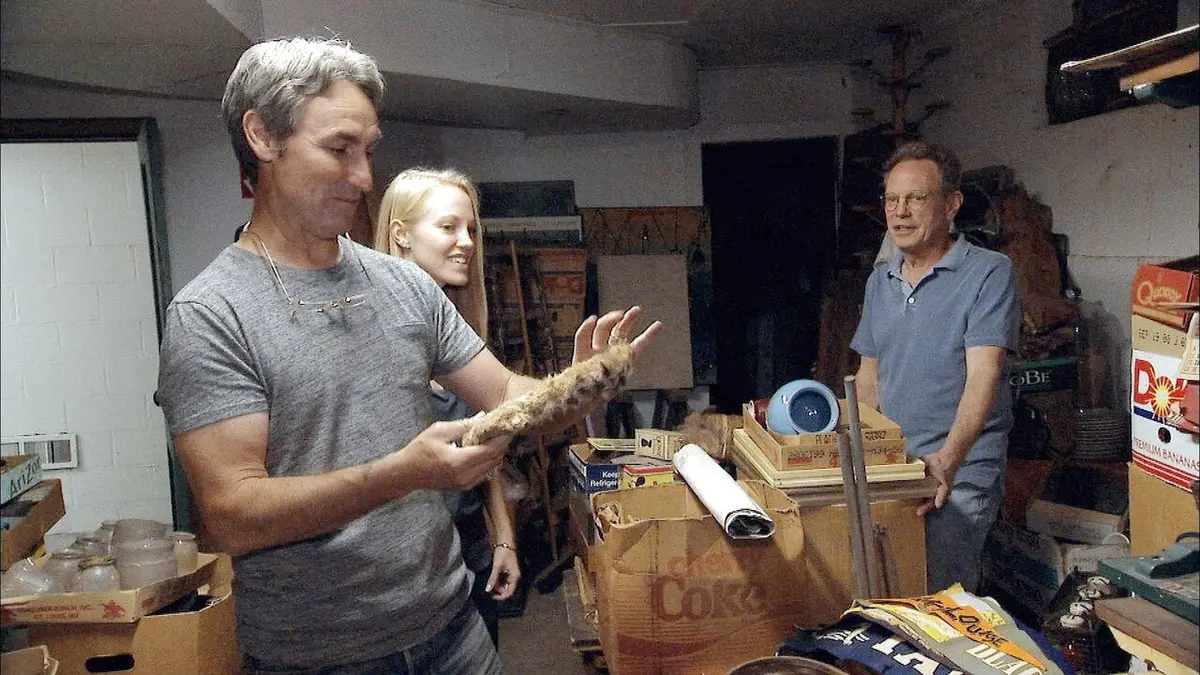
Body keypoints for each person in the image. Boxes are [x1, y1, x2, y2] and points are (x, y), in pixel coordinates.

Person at [156, 36, 660, 674]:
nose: (364, 178)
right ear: (262, 136)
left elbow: (506, 396)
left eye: (368, 151)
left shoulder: (403, 285)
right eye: (339, 149)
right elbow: (233, 517)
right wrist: (405, 472)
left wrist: (583, 385)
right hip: (319, 659)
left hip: (452, 631)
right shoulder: (211, 315)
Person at [850, 140, 1020, 594]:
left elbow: (983, 375)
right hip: (897, 467)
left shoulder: (988, 273)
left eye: (916, 198)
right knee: (886, 592)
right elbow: (869, 377)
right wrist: (863, 451)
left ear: (951, 204)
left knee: (943, 599)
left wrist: (946, 461)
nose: (900, 212)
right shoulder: (880, 280)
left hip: (958, 471)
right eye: (892, 199)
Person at [374, 167, 517, 647]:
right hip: (405, 573)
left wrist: (503, 537)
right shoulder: (372, 340)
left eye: (471, 229)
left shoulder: (462, 336)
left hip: (471, 551)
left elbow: (483, 444)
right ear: (401, 235)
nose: (467, 243)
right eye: (449, 226)